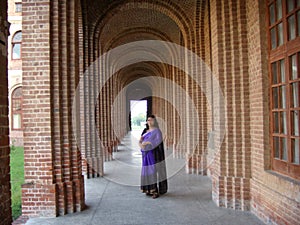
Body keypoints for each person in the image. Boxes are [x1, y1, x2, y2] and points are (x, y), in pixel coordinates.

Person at [139, 115, 168, 199]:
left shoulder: (157, 131)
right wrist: (141, 145)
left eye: (151, 120)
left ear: (154, 121)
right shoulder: (145, 130)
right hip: (145, 154)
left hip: (153, 154)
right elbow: (140, 140)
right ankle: (148, 189)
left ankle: (155, 191)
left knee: (153, 171)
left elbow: (158, 141)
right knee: (146, 171)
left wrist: (148, 142)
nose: (150, 122)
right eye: (148, 120)